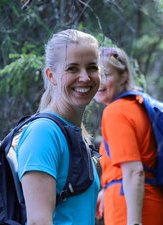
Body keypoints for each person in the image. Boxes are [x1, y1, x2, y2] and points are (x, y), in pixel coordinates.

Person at [16, 29, 101, 225]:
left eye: (92, 67)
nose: (85, 77)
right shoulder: (44, 134)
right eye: (72, 68)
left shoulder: (73, 134)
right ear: (51, 75)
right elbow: (39, 222)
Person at [94, 47, 163, 225]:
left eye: (106, 75)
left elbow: (134, 172)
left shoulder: (116, 111)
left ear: (123, 76)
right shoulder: (140, 104)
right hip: (160, 204)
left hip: (134, 210)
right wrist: (107, 189)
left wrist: (134, 222)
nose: (99, 82)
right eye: (96, 73)